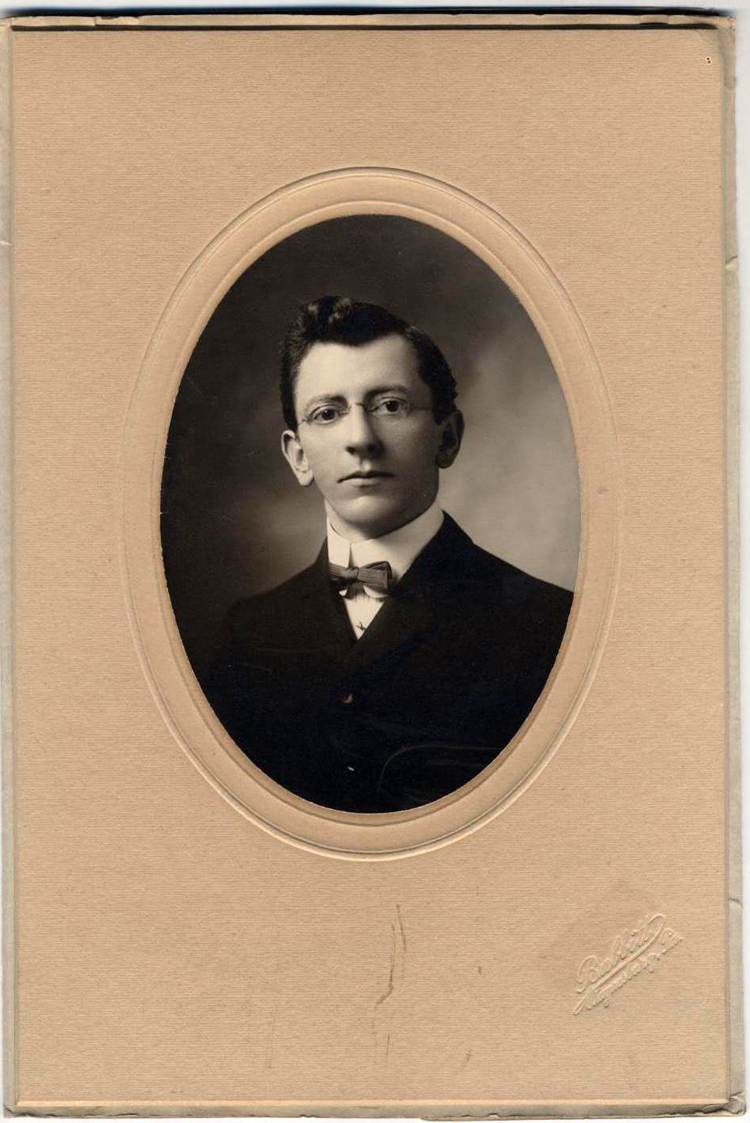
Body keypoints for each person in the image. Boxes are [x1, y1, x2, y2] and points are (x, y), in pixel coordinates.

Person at [206, 296, 573, 813]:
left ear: (447, 437)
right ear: (298, 456)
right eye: (328, 413)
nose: (361, 439)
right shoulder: (247, 634)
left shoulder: (550, 627)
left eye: (391, 406)